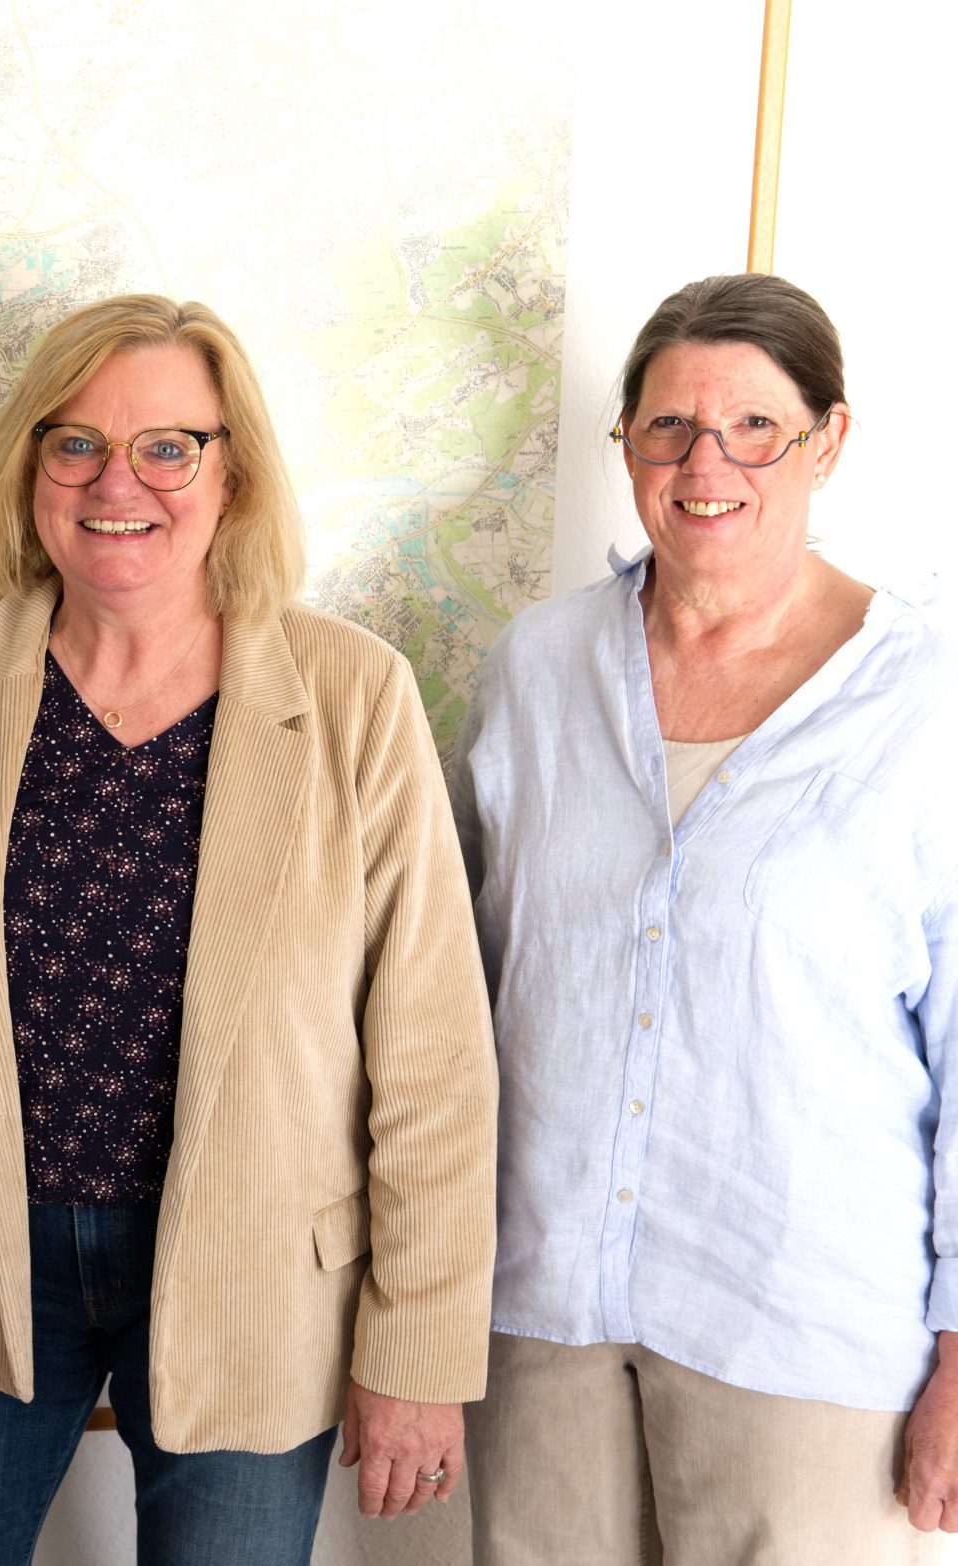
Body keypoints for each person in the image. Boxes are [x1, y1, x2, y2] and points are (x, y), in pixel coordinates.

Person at [0, 293, 498, 1565]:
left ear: (232, 474)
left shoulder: (350, 695)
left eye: (169, 446)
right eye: (77, 444)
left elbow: (431, 1055)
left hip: (256, 1274)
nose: (119, 483)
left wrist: (417, 1354)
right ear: (31, 468)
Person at [457, 272, 958, 1562]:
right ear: (625, 444)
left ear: (827, 441)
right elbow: (456, 993)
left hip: (802, 1333)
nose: (704, 463)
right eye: (668, 427)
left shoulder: (928, 706)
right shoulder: (535, 669)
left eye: (753, 428)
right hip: (541, 1311)